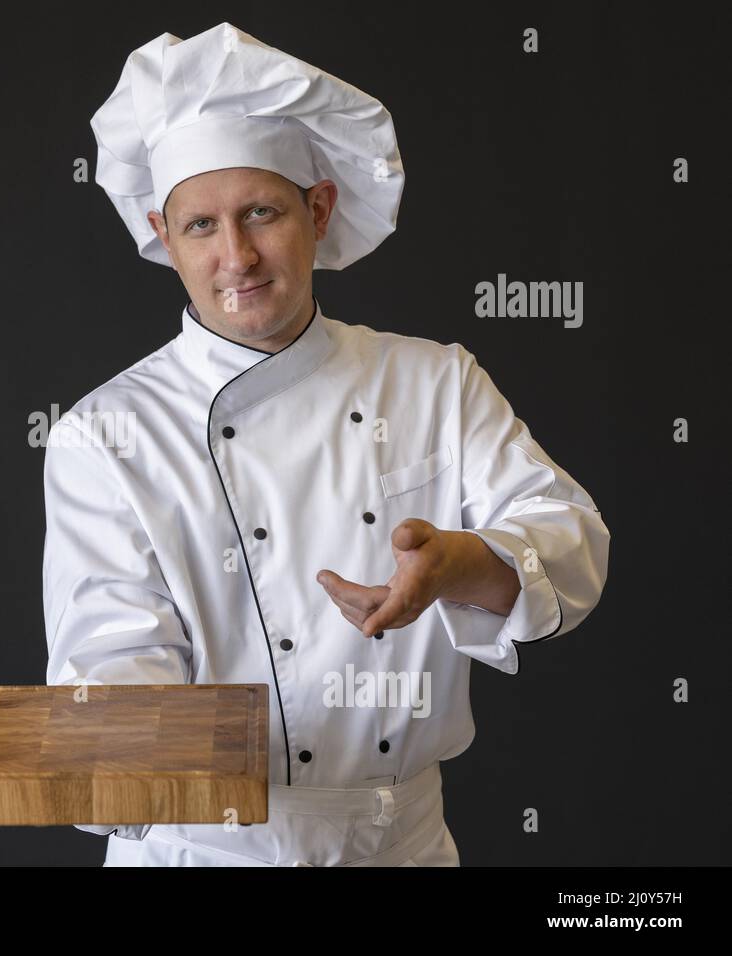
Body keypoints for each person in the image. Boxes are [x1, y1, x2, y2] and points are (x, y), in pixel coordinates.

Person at [41, 22, 610, 866]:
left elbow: (572, 541)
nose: (235, 257)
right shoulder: (108, 431)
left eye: (261, 213)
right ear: (164, 234)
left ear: (318, 209)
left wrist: (460, 563)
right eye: (201, 225)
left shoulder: (432, 381)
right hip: (207, 852)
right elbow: (113, 657)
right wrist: (110, 751)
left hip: (401, 844)